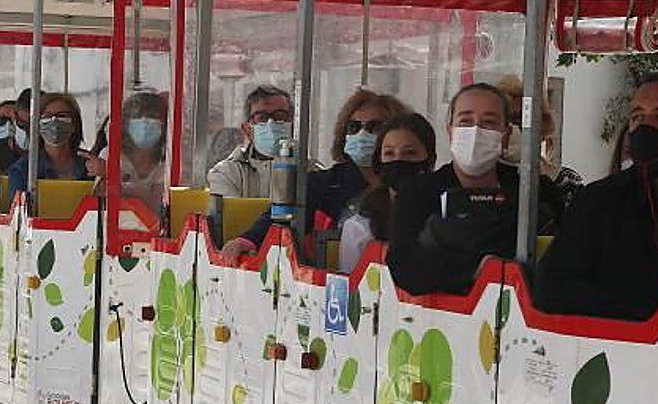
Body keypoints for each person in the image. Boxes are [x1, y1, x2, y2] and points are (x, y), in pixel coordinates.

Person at [534, 73, 658, 320]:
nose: (644, 127)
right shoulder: (598, 203)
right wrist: (651, 316)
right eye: (637, 116)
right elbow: (552, 289)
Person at [388, 83, 561, 295]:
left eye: (489, 123)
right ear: (450, 130)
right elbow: (403, 263)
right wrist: (477, 268)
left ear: (505, 135)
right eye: (466, 121)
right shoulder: (419, 192)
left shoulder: (535, 191)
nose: (476, 131)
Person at [220, 89, 408, 263]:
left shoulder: (412, 185)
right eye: (354, 127)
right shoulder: (324, 183)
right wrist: (247, 240)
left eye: (374, 127)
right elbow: (281, 216)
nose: (362, 134)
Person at [338, 113, 437, 274]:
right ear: (380, 161)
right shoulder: (360, 226)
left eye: (410, 153)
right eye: (389, 153)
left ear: (430, 161)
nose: (398, 161)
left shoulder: (445, 213)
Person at [497, 74, 584, 207]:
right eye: (503, 120)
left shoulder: (568, 181)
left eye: (519, 119)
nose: (511, 128)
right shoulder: (483, 181)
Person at [207, 84, 293, 199]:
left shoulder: (310, 171)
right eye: (262, 118)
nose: (271, 124)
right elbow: (230, 215)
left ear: (292, 125)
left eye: (280, 116)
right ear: (247, 129)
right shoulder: (226, 174)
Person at [7, 92, 91, 194]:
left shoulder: (90, 167)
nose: (54, 121)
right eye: (47, 116)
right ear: (38, 125)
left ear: (74, 124)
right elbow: (21, 207)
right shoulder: (23, 170)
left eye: (62, 116)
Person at [117, 90, 169, 216]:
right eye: (137, 115)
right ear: (126, 122)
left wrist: (123, 189)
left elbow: (160, 208)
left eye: (152, 116)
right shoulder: (111, 156)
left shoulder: (169, 164)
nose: (144, 121)